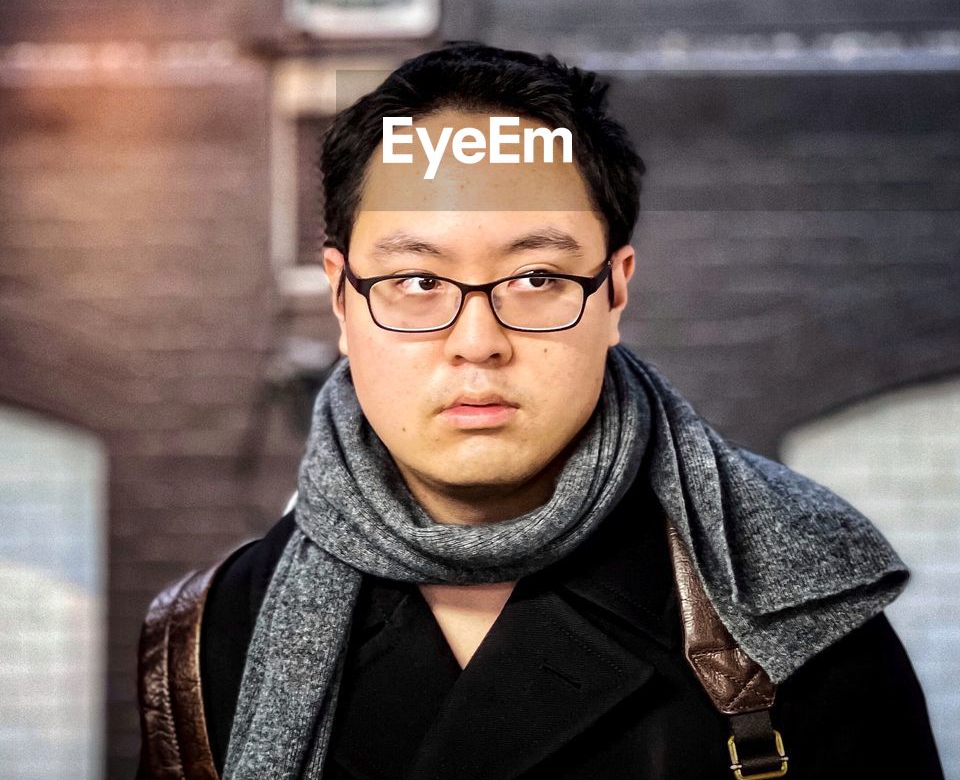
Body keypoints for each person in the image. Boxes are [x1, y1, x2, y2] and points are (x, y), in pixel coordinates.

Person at [136, 42, 944, 780]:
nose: (477, 341)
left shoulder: (794, 602)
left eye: (536, 279)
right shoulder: (208, 637)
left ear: (616, 290)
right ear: (343, 300)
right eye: (418, 282)